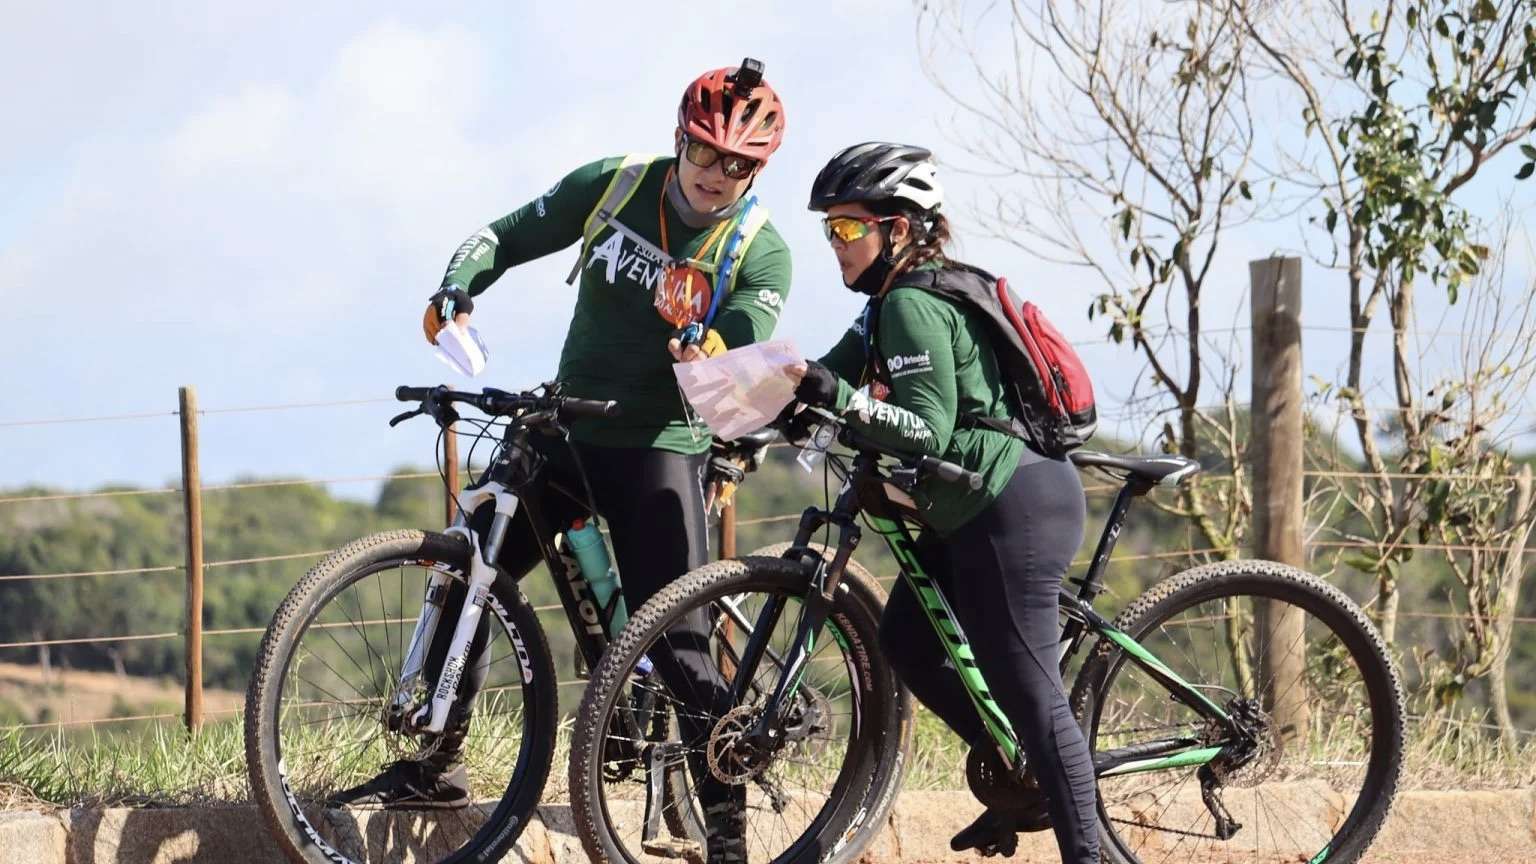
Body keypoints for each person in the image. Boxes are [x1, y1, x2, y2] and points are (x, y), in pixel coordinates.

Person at [333, 59, 790, 863]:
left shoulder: (760, 247)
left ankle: (727, 833)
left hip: (659, 447)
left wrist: (712, 343)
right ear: (678, 138)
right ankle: (436, 764)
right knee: (467, 569)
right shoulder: (614, 184)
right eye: (704, 152)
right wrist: (456, 288)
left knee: (680, 649)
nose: (717, 174)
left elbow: (752, 322)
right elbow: (504, 236)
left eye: (739, 164)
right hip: (566, 426)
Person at [787, 142, 1099, 863]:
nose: (834, 244)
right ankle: (1019, 780)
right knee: (908, 643)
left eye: (846, 227)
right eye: (828, 229)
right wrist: (758, 393)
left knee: (1032, 692)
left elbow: (926, 428)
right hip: (966, 505)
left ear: (897, 229)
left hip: (1013, 502)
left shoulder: (912, 305)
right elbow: (823, 378)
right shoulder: (881, 310)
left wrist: (841, 399)